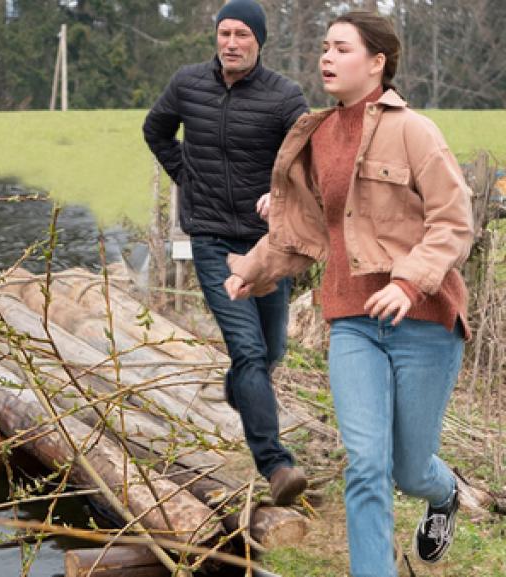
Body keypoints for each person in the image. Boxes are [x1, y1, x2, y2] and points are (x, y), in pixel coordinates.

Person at [224, 11, 473, 574]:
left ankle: (442, 493)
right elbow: (303, 232)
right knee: (365, 464)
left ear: (377, 62)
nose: (326, 58)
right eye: (324, 48)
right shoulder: (314, 137)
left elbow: (454, 221)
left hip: (426, 325)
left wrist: (410, 282)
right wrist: (254, 270)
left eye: (340, 48)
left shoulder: (414, 131)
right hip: (352, 322)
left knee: (408, 470)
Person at [142, 0, 309, 504]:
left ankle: (241, 389)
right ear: (216, 37)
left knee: (272, 350)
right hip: (212, 239)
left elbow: (309, 157)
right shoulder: (189, 84)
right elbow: (156, 130)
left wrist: (282, 194)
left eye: (242, 35)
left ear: (259, 42)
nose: (231, 43)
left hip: (267, 244)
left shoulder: (284, 96)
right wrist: (187, 179)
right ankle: (276, 465)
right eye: (224, 33)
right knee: (249, 350)